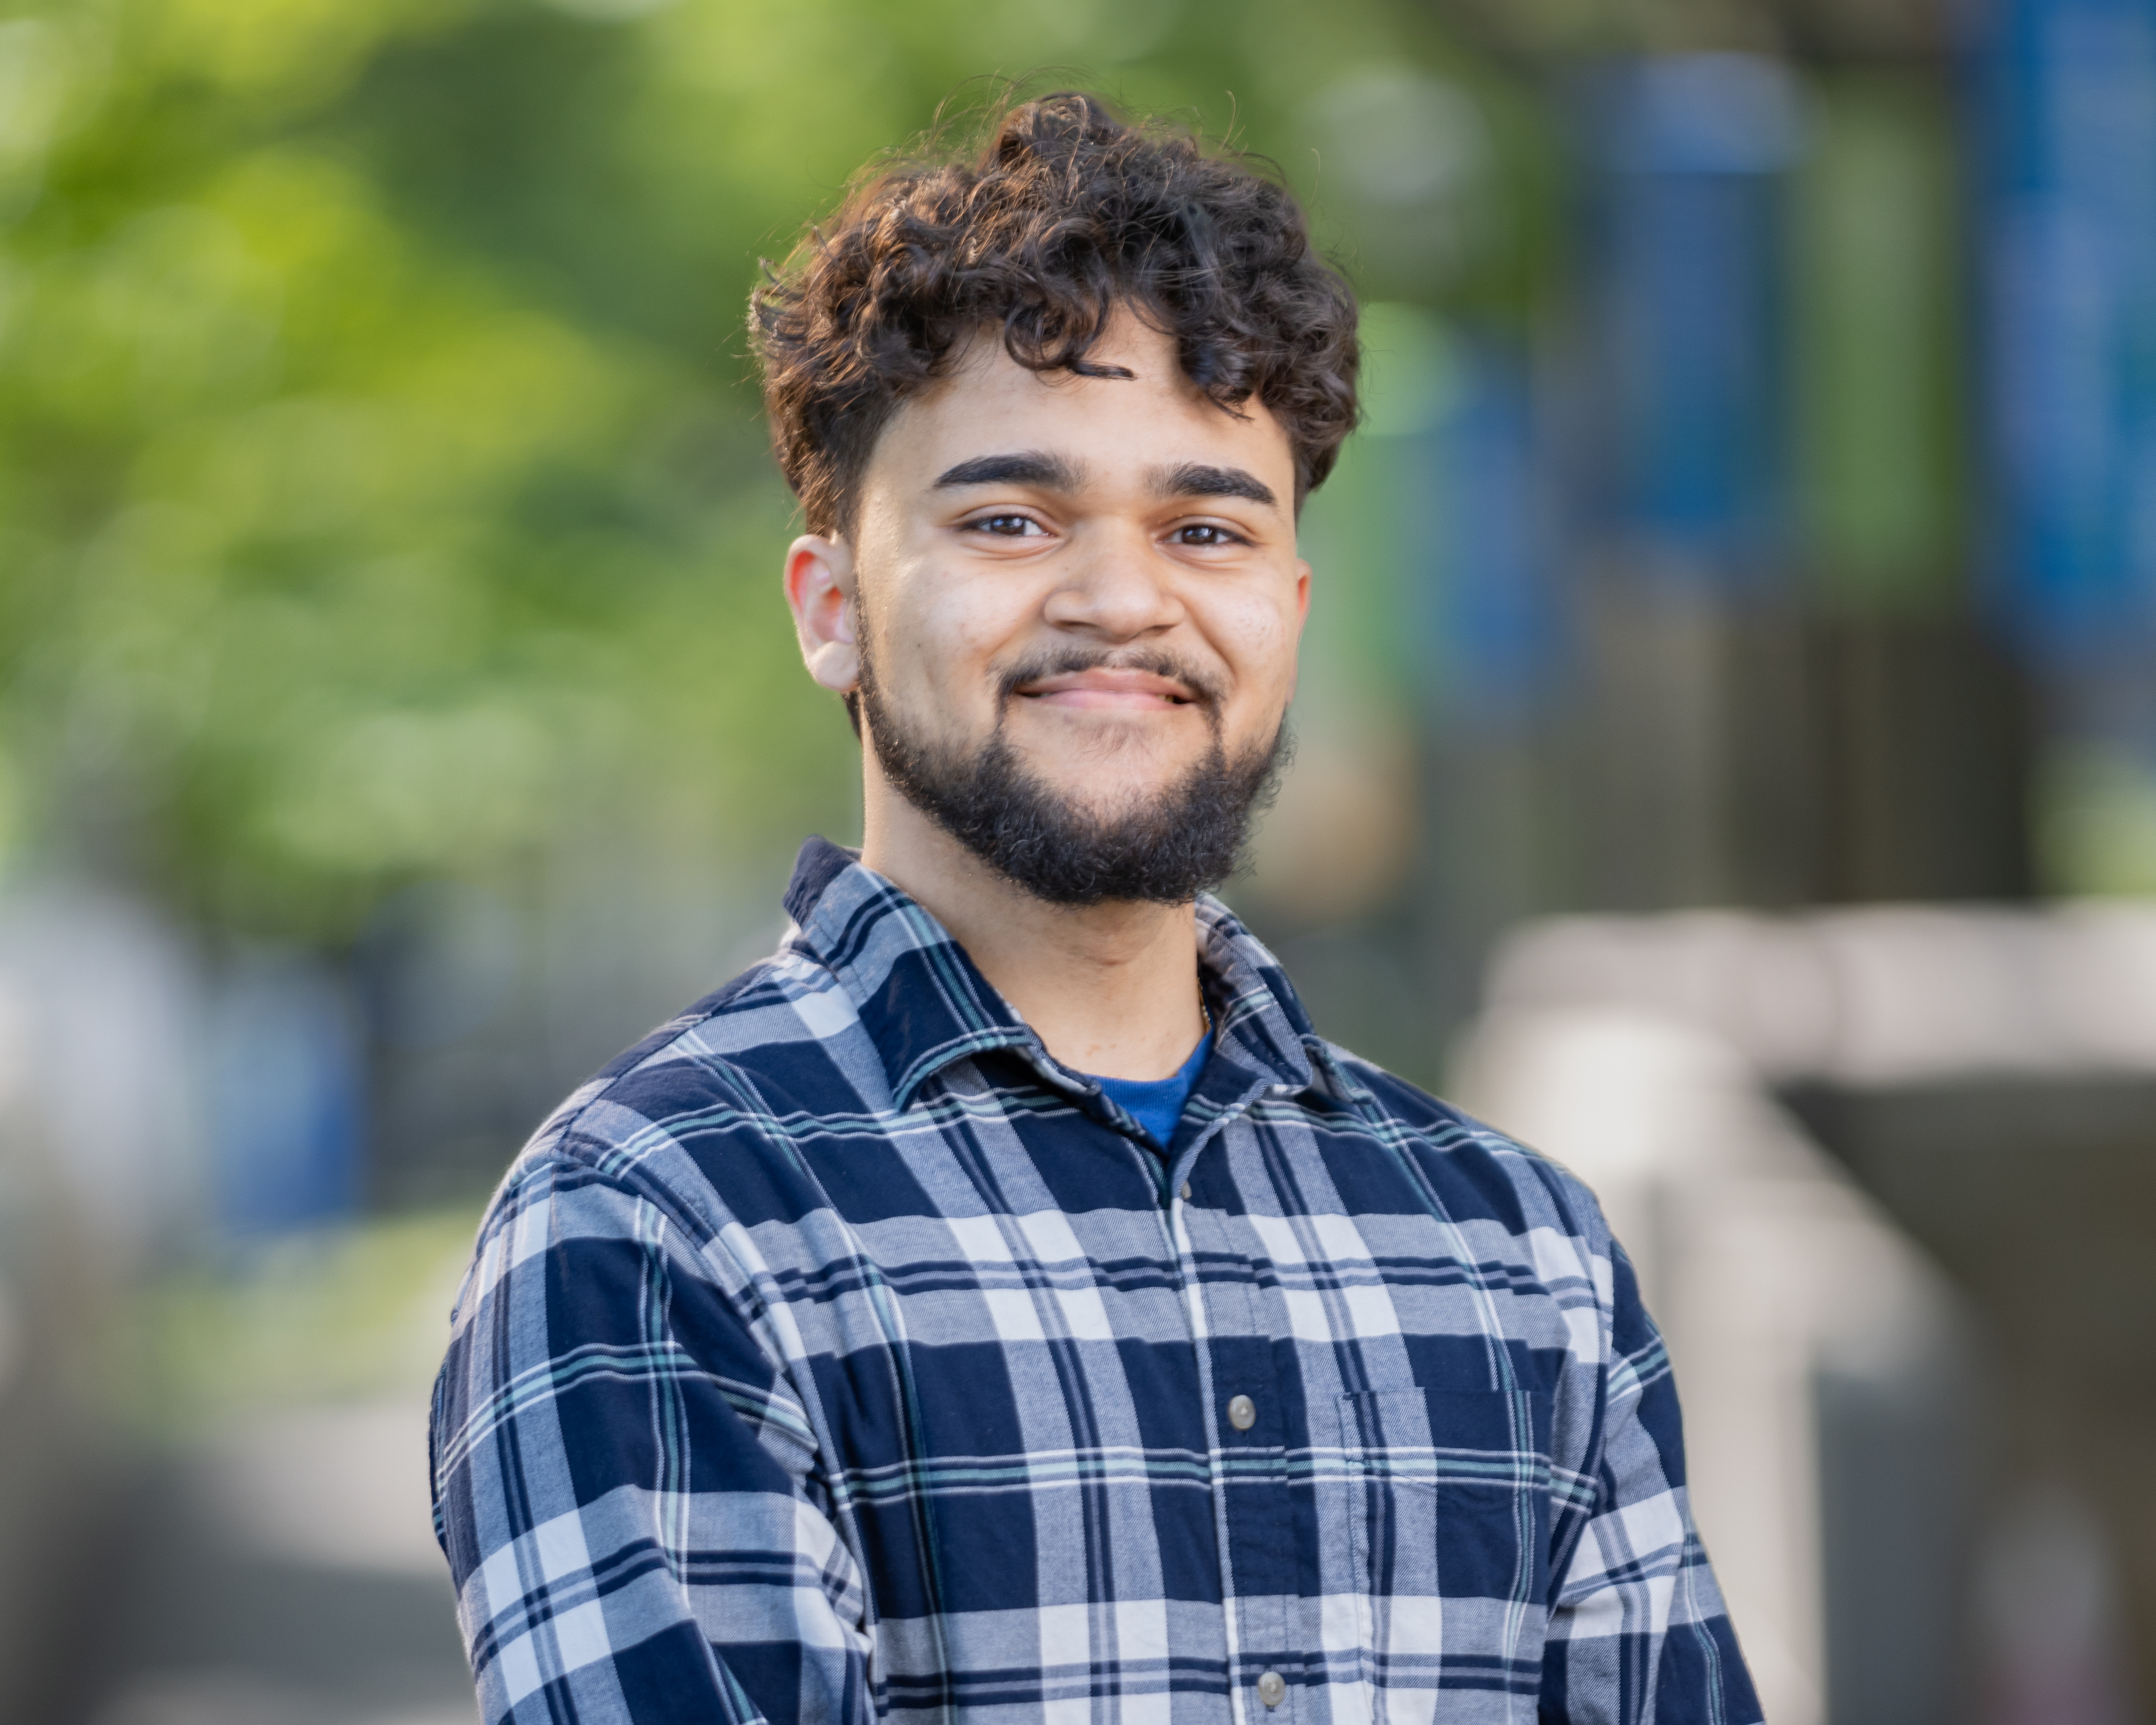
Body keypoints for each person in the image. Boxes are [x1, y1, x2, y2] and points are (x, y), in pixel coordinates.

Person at [430, 91, 1760, 1725]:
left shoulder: (1516, 1252)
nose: (1124, 599)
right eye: (1010, 520)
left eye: (1205, 528)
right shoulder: (662, 1222)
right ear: (833, 606)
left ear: (1285, 610)